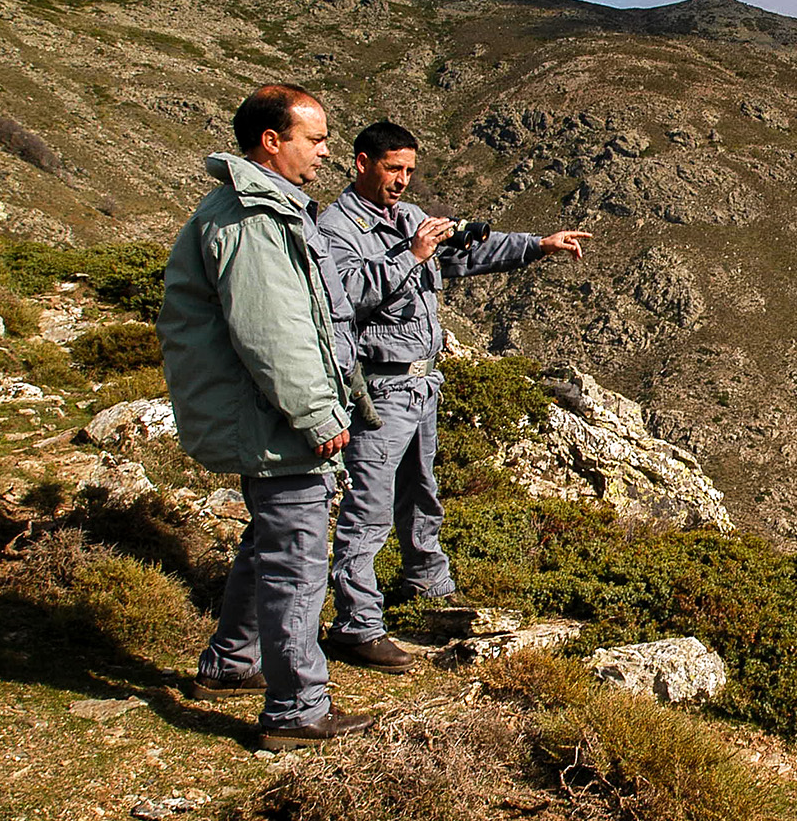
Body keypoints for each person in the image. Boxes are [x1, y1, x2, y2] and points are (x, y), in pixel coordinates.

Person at [318, 120, 590, 670]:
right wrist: (411, 256)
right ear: (361, 162)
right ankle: (356, 625)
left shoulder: (408, 218)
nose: (402, 181)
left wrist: (538, 244)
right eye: (393, 168)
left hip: (422, 382)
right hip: (379, 384)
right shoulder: (335, 228)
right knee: (368, 508)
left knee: (421, 491)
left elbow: (462, 255)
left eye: (410, 171)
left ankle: (427, 587)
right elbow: (343, 297)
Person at [157, 84, 373, 751]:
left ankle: (231, 661)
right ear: (271, 142)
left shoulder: (269, 210)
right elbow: (271, 330)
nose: (327, 150)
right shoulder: (252, 219)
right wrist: (315, 411)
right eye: (316, 138)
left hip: (269, 412)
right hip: (275, 417)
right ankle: (296, 711)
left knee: (270, 541)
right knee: (296, 559)